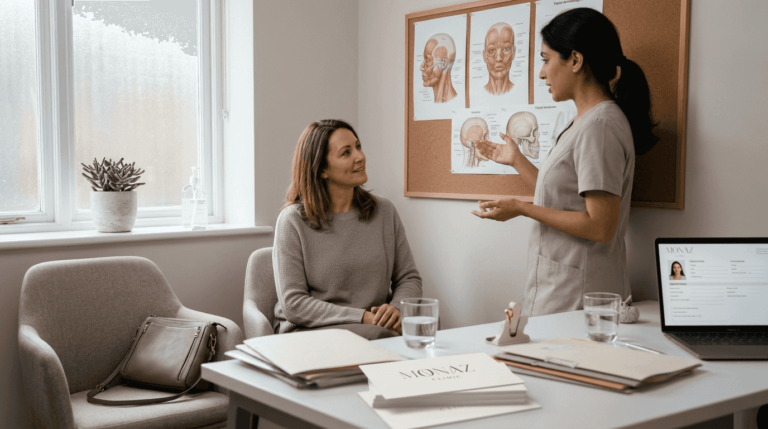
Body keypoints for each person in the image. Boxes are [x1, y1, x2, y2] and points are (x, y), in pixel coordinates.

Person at [473, 8, 658, 316]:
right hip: (565, 291)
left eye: (546, 59)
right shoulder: (587, 122)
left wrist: (521, 208)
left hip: (580, 297)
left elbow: (600, 226)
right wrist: (517, 161)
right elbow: (563, 199)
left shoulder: (600, 126)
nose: (542, 73)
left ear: (575, 60)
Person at [272, 119, 423, 340]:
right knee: (387, 338)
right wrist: (363, 318)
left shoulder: (384, 211)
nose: (359, 157)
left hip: (376, 327)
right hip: (310, 331)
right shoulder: (292, 220)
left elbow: (409, 278)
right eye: (346, 153)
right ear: (321, 169)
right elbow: (294, 305)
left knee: (428, 326)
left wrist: (397, 308)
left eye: (358, 147)